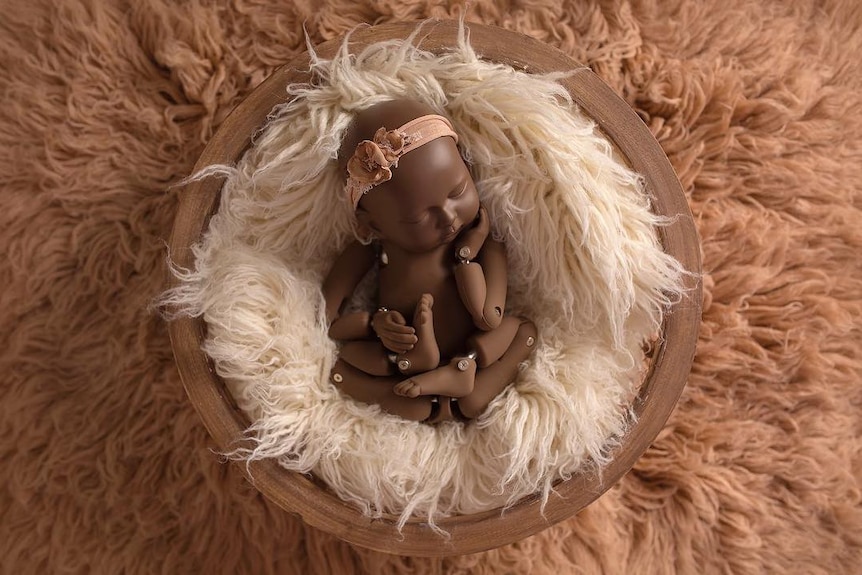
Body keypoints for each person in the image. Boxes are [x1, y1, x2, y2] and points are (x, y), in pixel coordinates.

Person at [323, 99, 537, 423]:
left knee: (522, 331)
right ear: (374, 225)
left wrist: (466, 257)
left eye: (458, 191)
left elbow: (489, 316)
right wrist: (374, 323)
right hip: (401, 355)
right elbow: (329, 319)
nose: (449, 218)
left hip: (474, 348)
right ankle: (427, 383)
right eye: (417, 218)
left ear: (467, 166)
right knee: (341, 366)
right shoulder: (371, 248)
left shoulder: (482, 238)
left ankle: (462, 373)